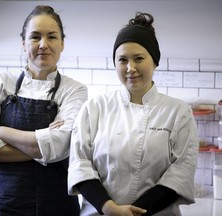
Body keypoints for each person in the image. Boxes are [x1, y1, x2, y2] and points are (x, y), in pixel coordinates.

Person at [68, 12, 199, 216]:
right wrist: (109, 208)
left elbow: (180, 174)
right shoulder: (94, 107)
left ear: (154, 61)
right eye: (122, 60)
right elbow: (80, 164)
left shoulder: (178, 112)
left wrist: (135, 213)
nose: (131, 68)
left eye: (139, 58)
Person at [0, 5, 87, 216]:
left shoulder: (74, 90)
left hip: (55, 205)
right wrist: (42, 146)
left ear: (62, 43)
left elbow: (60, 146)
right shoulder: (1, 82)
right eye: (35, 37)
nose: (43, 45)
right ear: (23, 43)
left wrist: (1, 132)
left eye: (51, 37)